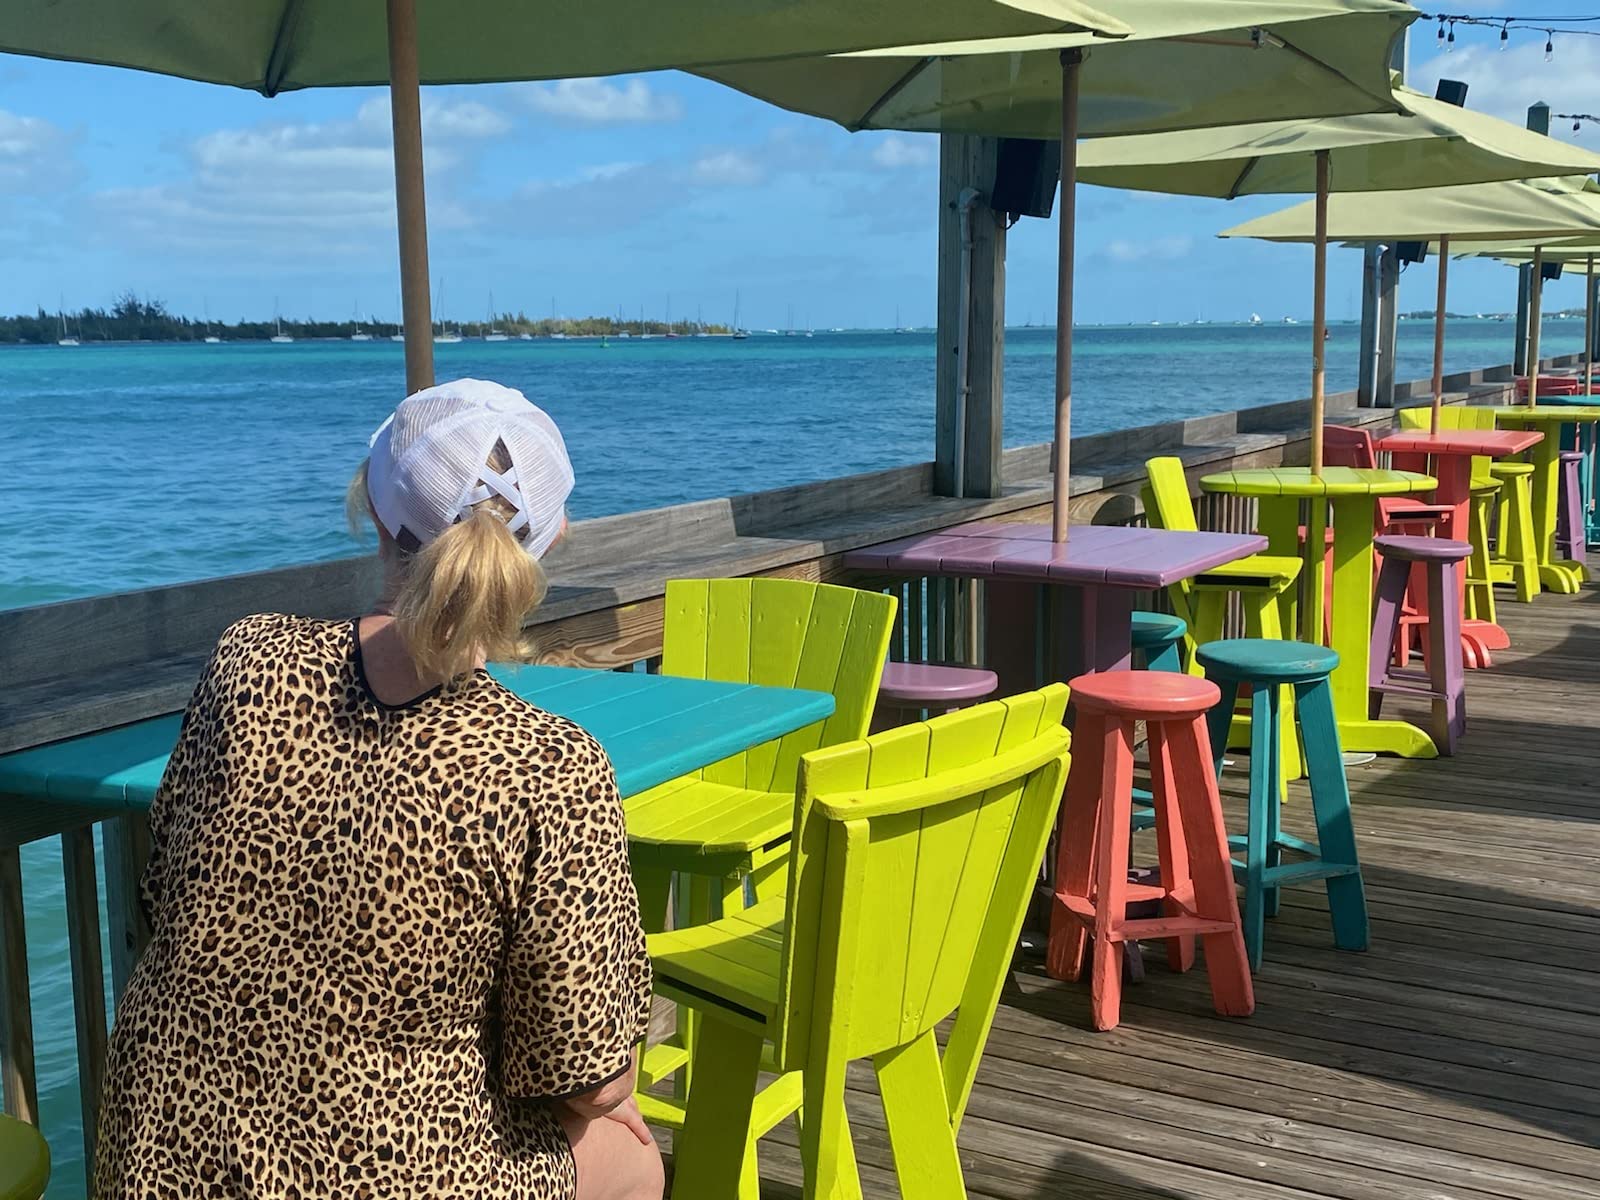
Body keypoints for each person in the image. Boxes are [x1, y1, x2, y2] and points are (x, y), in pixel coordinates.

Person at [95, 379, 663, 1200]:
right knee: (631, 1156)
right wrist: (610, 1104)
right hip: (396, 1171)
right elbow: (590, 1068)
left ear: (372, 506)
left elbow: (162, 895)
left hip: (160, 1157)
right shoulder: (549, 765)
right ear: (548, 541)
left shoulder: (245, 661)